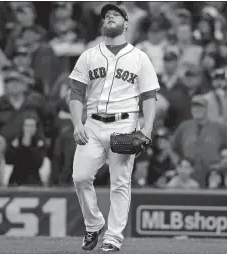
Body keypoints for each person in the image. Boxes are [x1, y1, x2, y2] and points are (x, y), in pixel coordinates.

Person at [68, 4, 159, 252]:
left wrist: (147, 129)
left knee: (120, 182)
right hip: (93, 124)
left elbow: (149, 96)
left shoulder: (140, 57)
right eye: (106, 15)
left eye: (115, 14)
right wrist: (77, 123)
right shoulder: (89, 55)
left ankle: (113, 238)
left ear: (126, 23)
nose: (109, 17)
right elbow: (76, 93)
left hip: (125, 124)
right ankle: (94, 223)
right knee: (80, 177)